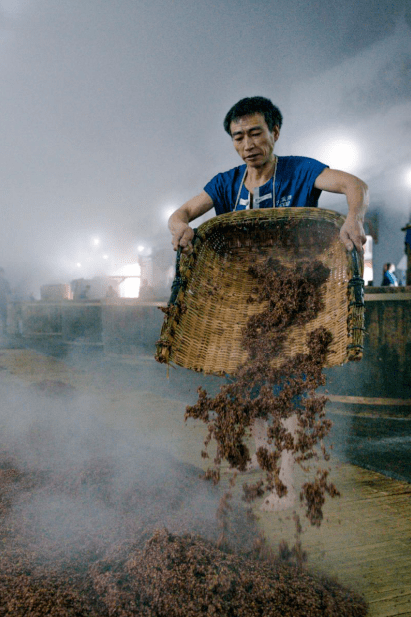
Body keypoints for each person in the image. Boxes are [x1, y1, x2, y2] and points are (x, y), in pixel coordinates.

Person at [168, 96, 369, 511]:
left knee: (285, 391)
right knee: (251, 387)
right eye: (238, 136)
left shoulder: (301, 170)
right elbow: (181, 213)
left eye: (255, 132)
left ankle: (286, 488)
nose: (247, 144)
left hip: (298, 299)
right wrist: (180, 229)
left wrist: (354, 217)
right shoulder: (225, 184)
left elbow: (355, 185)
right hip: (246, 301)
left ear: (274, 133)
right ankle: (264, 466)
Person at [0, 268, 11, 335]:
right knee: (4, 315)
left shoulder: (5, 282)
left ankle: (4, 330)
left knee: (4, 315)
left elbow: (9, 291)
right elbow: (9, 292)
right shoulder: (5, 282)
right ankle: (4, 330)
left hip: (3, 301)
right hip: (2, 301)